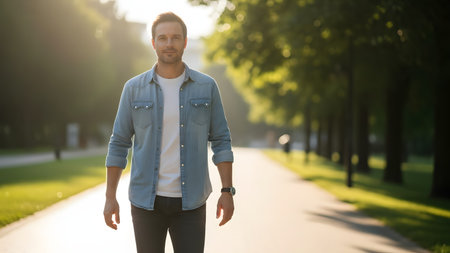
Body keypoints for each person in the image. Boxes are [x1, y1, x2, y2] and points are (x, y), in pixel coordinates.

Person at [103, 12, 235, 253]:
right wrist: (110, 197)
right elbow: (119, 143)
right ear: (153, 43)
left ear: (185, 42)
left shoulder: (207, 87)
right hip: (146, 203)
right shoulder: (133, 89)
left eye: (175, 37)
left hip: (191, 203)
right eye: (162, 38)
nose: (169, 43)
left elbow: (221, 140)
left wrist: (227, 191)